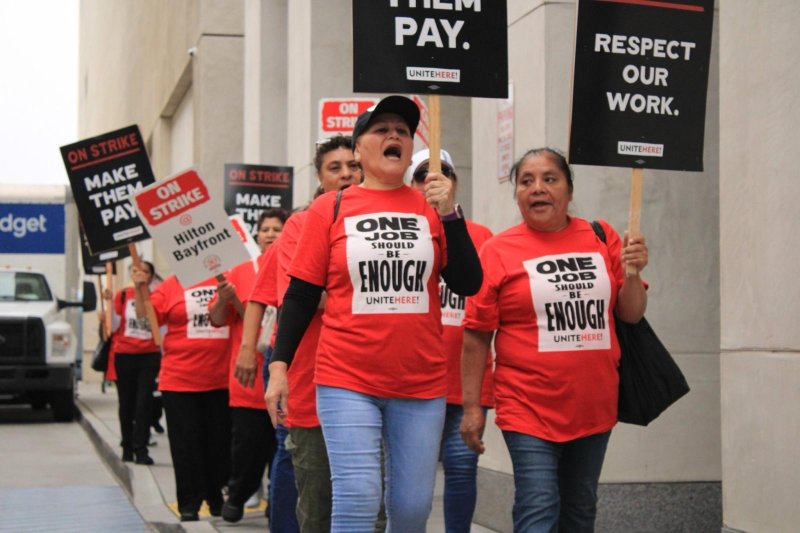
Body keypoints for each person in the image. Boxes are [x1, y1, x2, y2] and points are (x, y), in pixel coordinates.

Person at [265, 95, 483, 532]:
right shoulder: (330, 209)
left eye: (402, 131)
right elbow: (302, 293)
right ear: (360, 148)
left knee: (411, 508)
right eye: (381, 129)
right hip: (346, 378)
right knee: (358, 495)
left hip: (420, 383)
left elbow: (468, 283)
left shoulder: (430, 208)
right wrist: (280, 366)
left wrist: (451, 215)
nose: (394, 136)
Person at [459, 148, 649, 532]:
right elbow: (477, 335)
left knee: (580, 510)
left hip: (593, 405)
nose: (537, 189)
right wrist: (472, 407)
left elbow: (631, 314)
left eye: (549, 179)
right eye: (526, 181)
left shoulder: (602, 236)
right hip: (527, 405)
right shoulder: (497, 251)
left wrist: (632, 273)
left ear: (569, 189)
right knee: (538, 506)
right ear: (516, 194)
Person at [239, 135, 361, 532]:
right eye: (334, 168)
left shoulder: (392, 220)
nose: (346, 174)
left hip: (379, 385)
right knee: (315, 497)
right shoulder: (301, 225)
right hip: (312, 380)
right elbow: (306, 296)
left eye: (352, 166)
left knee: (374, 506)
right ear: (320, 178)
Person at [406, 148, 495, 533]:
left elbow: (489, 310)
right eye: (422, 173)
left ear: (455, 182)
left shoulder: (481, 238)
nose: (433, 179)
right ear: (410, 184)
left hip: (466, 382)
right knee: (413, 479)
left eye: (443, 172)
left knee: (461, 470)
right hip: (412, 382)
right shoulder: (401, 234)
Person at [132, 266, 232, 522]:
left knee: (218, 444)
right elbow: (147, 319)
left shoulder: (228, 278)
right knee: (185, 446)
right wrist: (140, 287)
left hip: (222, 380)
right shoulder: (171, 285)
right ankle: (189, 503)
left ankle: (216, 497)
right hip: (179, 380)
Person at [210, 207, 288, 523]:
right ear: (256, 235)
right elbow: (217, 319)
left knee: (280, 448)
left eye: (277, 228)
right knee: (247, 448)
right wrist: (223, 298)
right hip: (249, 380)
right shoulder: (240, 270)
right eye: (265, 229)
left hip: (286, 377)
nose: (270, 234)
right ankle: (239, 495)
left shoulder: (299, 264)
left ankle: (277, 502)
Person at [107, 261, 162, 465]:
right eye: (137, 271)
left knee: (144, 403)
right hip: (125, 354)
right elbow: (113, 326)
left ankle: (141, 448)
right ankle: (127, 445)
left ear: (151, 276)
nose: (141, 275)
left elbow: (160, 328)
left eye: (146, 271)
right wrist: (108, 309)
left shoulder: (157, 295)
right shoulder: (122, 295)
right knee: (126, 404)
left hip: (148, 356)